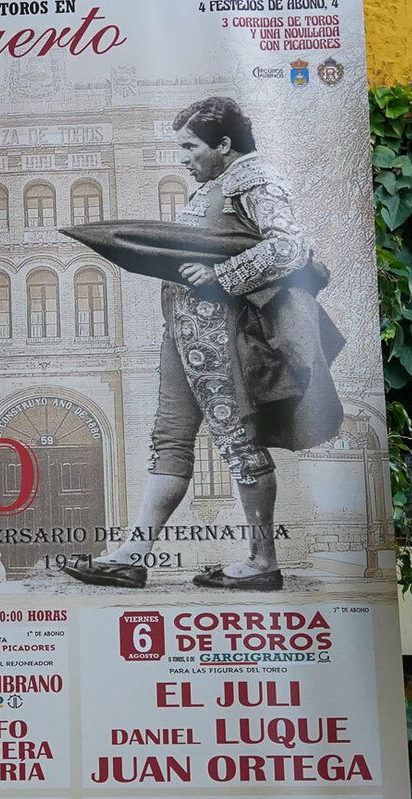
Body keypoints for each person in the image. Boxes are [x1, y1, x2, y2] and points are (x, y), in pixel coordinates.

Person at [62, 95, 342, 591]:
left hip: (225, 334)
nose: (183, 157)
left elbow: (291, 247)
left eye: (191, 146)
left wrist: (223, 274)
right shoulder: (220, 184)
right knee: (169, 437)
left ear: (225, 144)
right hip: (187, 332)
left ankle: (262, 562)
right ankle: (133, 555)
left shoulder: (258, 178)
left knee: (240, 441)